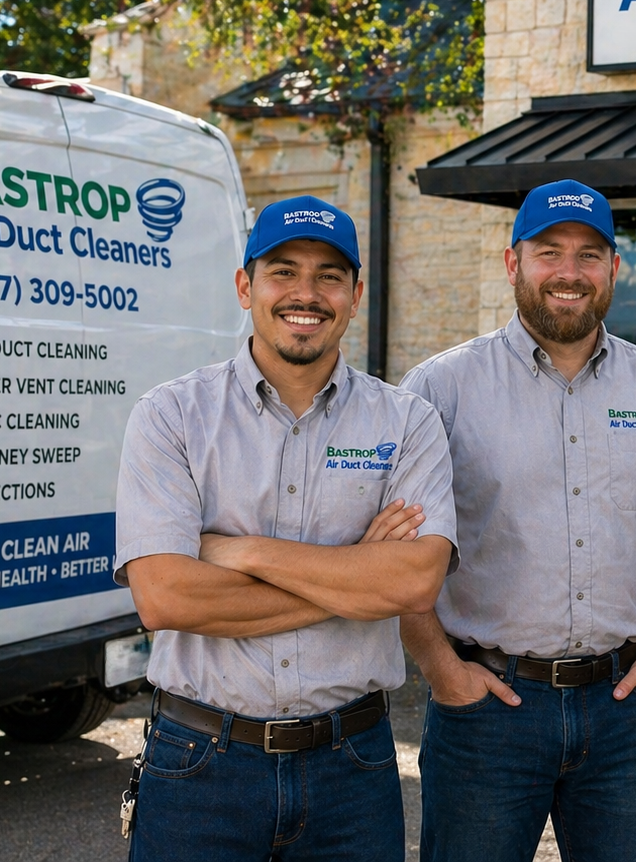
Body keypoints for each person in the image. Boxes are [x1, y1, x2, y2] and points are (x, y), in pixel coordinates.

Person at [398, 179, 636, 862]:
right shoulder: (439, 389)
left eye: (589, 255)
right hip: (486, 711)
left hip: (625, 713)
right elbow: (397, 549)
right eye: (548, 252)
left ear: (613, 268)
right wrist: (440, 669)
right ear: (512, 262)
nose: (569, 272)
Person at [114, 195, 458, 861]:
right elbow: (166, 598)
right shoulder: (171, 416)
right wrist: (356, 577)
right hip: (199, 764)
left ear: (355, 296)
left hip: (351, 769)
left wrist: (241, 552)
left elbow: (415, 583)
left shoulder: (407, 422)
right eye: (283, 271)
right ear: (246, 287)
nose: (307, 293)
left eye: (329, 275)